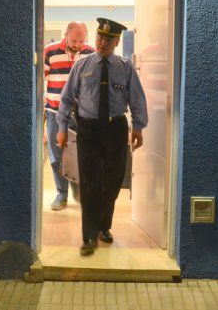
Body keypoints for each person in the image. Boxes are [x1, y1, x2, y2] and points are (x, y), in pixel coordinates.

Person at [56, 18, 148, 256]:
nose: (102, 42)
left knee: (112, 181)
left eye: (108, 38)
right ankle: (88, 236)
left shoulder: (125, 68)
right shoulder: (82, 66)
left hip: (115, 129)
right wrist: (62, 127)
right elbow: (66, 98)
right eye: (99, 37)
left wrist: (138, 127)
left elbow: (136, 98)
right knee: (89, 183)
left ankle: (103, 226)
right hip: (89, 130)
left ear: (117, 41)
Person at [44, 21, 94, 210]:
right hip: (56, 112)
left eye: (82, 40)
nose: (78, 45)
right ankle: (61, 194)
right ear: (66, 35)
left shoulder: (90, 52)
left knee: (81, 155)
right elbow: (40, 78)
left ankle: (78, 190)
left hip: (82, 115)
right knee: (57, 157)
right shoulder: (50, 51)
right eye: (74, 40)